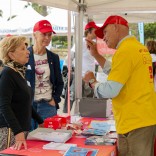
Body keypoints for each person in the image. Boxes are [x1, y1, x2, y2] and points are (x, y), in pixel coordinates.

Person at [83, 15, 156, 156]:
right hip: (143, 118)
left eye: (105, 32)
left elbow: (111, 90)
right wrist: (97, 56)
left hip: (133, 123)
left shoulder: (124, 51)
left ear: (116, 27)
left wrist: (92, 82)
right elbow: (119, 72)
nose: (103, 38)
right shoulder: (138, 48)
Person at [0, 36, 43, 151]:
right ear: (11, 54)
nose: (27, 51)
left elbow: (25, 103)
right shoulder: (7, 74)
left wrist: (41, 121)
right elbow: (4, 105)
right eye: (22, 49)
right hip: (10, 131)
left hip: (20, 130)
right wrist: (17, 132)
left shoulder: (18, 72)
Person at [25, 20, 64, 130]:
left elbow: (60, 82)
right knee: (29, 140)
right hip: (29, 107)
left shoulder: (53, 57)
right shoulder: (25, 55)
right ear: (34, 34)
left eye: (49, 34)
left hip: (48, 106)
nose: (47, 37)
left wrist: (55, 99)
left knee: (48, 141)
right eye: (44, 34)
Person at [62, 21, 99, 113]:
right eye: (95, 31)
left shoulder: (93, 43)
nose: (97, 33)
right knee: (76, 101)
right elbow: (69, 57)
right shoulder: (82, 42)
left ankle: (84, 119)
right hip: (80, 78)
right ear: (89, 31)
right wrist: (70, 71)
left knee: (88, 102)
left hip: (90, 77)